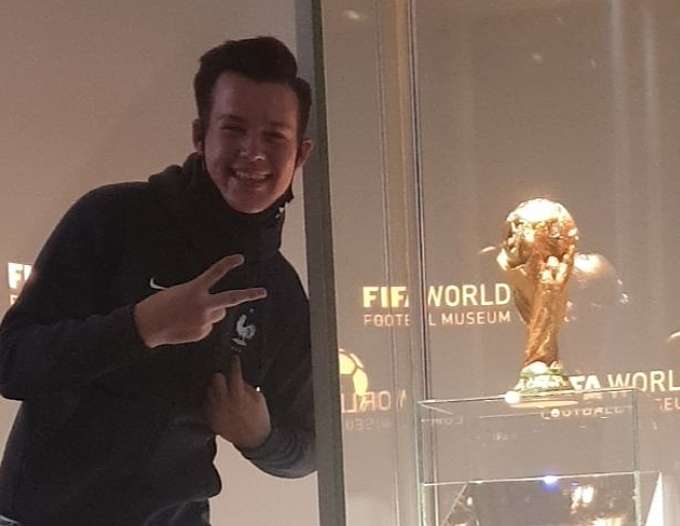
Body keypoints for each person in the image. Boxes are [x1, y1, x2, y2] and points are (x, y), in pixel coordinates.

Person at [0, 36, 315, 525]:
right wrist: (140, 327)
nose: (253, 153)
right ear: (200, 136)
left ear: (300, 154)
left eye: (274, 136)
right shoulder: (113, 218)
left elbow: (310, 446)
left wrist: (260, 438)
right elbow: (12, 361)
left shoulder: (279, 288)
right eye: (233, 129)